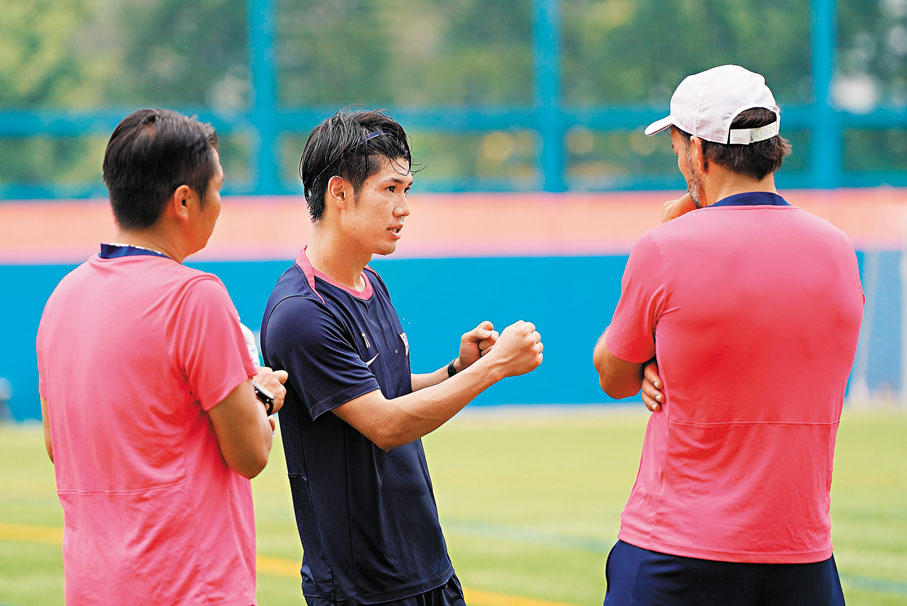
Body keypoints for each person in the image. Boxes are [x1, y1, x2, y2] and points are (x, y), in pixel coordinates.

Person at [592, 65, 864, 605]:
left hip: (675, 553)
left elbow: (614, 376)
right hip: (803, 558)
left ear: (699, 152)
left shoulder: (666, 247)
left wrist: (651, 360)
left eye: (677, 149)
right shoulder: (839, 250)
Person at [260, 108, 544, 605]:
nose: (405, 207)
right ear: (339, 192)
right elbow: (385, 424)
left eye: (406, 189)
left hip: (426, 566)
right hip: (362, 588)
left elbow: (381, 390)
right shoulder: (301, 312)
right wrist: (494, 369)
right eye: (390, 189)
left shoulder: (371, 282)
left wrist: (456, 370)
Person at [36, 109, 288, 605]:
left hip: (92, 588)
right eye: (218, 188)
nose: (221, 203)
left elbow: (56, 446)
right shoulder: (196, 297)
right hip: (189, 587)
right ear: (184, 200)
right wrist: (261, 396)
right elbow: (250, 455)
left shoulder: (62, 298)